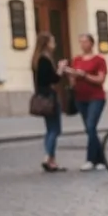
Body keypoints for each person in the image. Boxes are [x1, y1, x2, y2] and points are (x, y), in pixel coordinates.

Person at [63, 33, 107, 170]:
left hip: (96, 97)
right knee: (90, 129)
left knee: (91, 126)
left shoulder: (99, 60)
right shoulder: (76, 60)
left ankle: (90, 159)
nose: (82, 45)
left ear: (91, 43)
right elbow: (73, 79)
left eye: (85, 42)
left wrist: (85, 75)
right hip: (80, 97)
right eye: (80, 42)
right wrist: (70, 75)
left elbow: (100, 79)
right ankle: (101, 160)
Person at [32, 32, 64, 172]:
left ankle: (52, 161)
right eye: (52, 42)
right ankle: (48, 157)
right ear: (46, 44)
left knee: (50, 129)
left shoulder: (36, 59)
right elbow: (54, 79)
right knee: (55, 129)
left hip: (41, 96)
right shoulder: (44, 60)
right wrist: (61, 69)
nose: (54, 45)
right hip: (49, 97)